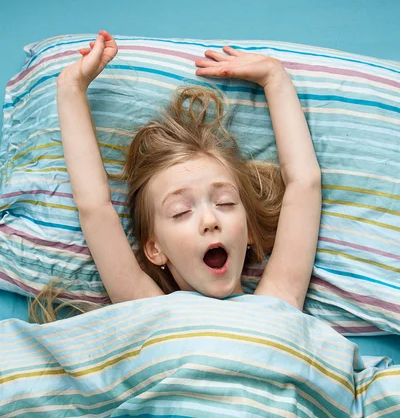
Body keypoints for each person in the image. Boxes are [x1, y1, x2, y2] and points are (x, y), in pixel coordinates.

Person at [28, 30, 322, 323]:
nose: (210, 221)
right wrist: (71, 87)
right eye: (181, 211)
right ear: (155, 249)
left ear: (251, 233)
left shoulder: (277, 304)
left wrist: (275, 77)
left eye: (225, 203)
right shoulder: (147, 310)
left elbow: (304, 183)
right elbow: (94, 207)